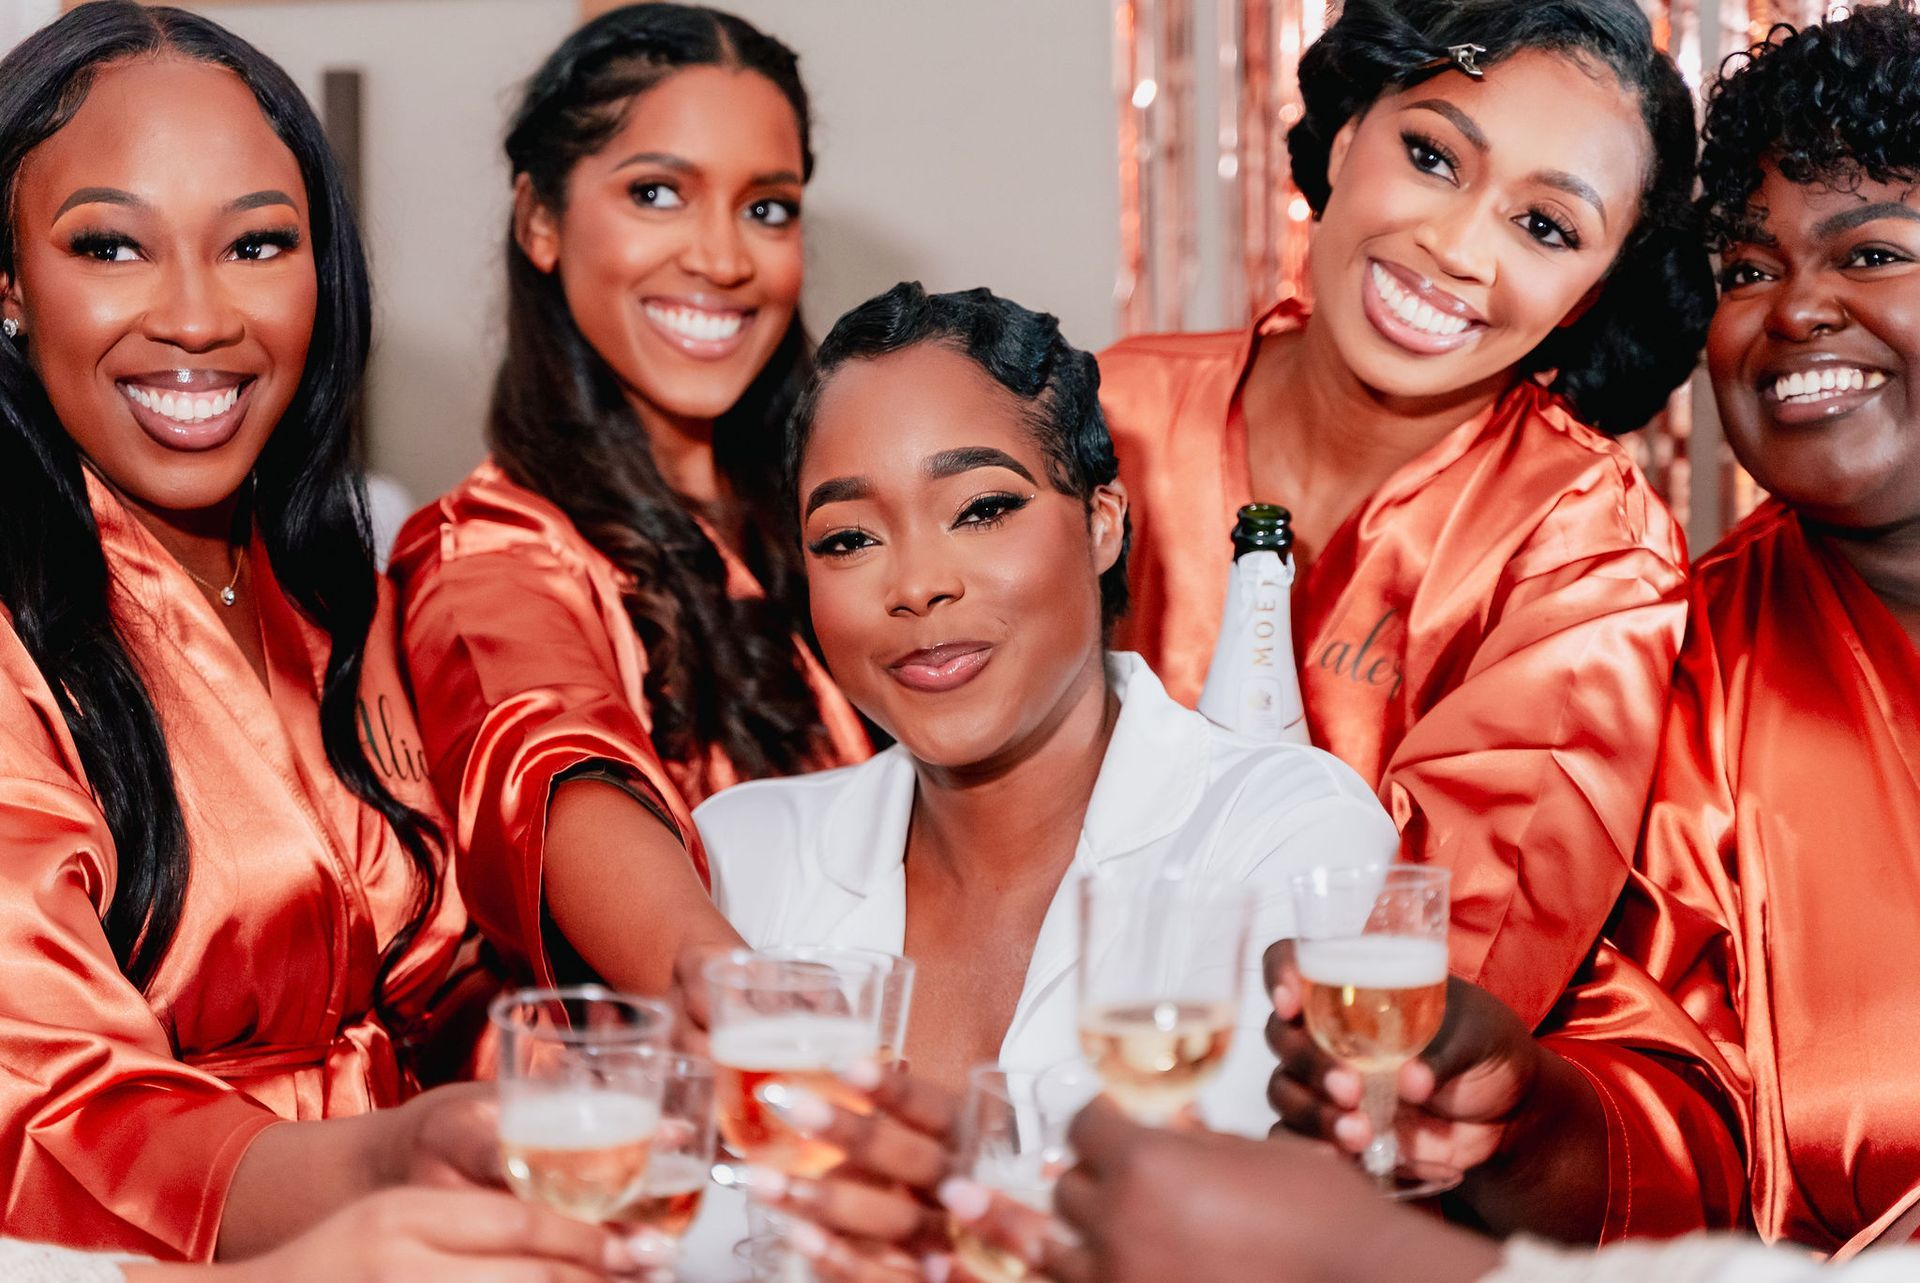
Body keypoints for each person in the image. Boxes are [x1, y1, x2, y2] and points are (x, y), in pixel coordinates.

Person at [1265, 3, 1920, 1252]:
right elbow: (1684, 1122)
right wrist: (1517, 1114)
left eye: (1873, 253)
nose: (1794, 309)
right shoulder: (1685, 658)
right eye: (1747, 270)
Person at [0, 2, 572, 1263]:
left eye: (257, 243)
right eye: (111, 246)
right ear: (9, 283)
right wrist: (390, 1160)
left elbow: (436, 983)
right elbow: (51, 1113)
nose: (199, 316)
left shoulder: (326, 582)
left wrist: (601, 1081)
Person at [1099, 0, 1713, 1027]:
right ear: (1346, 140)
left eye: (1546, 226)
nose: (1456, 246)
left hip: (1334, 1104)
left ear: (1587, 296)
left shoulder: (1589, 547)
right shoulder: (1109, 412)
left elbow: (1435, 985)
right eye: (1433, 157)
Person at [695, 280, 1396, 1129]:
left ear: (1102, 522)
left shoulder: (1288, 836)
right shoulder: (738, 859)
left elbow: (1252, 1194)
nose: (917, 584)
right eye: (849, 538)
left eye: (980, 509)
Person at [390, 3, 869, 1001]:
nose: (723, 258)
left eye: (767, 208)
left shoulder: (827, 509)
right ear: (540, 219)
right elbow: (555, 773)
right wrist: (734, 993)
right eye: (658, 193)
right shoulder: (489, 553)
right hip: (666, 1084)